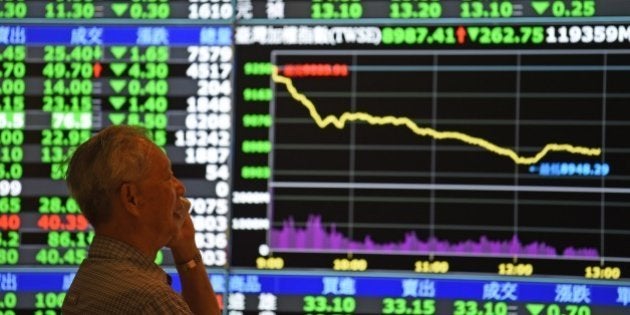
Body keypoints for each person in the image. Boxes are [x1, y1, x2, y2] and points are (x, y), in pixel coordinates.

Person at [61, 125, 221, 315]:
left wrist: (185, 248)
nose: (180, 188)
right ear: (132, 198)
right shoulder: (153, 301)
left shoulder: (90, 278)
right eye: (167, 177)